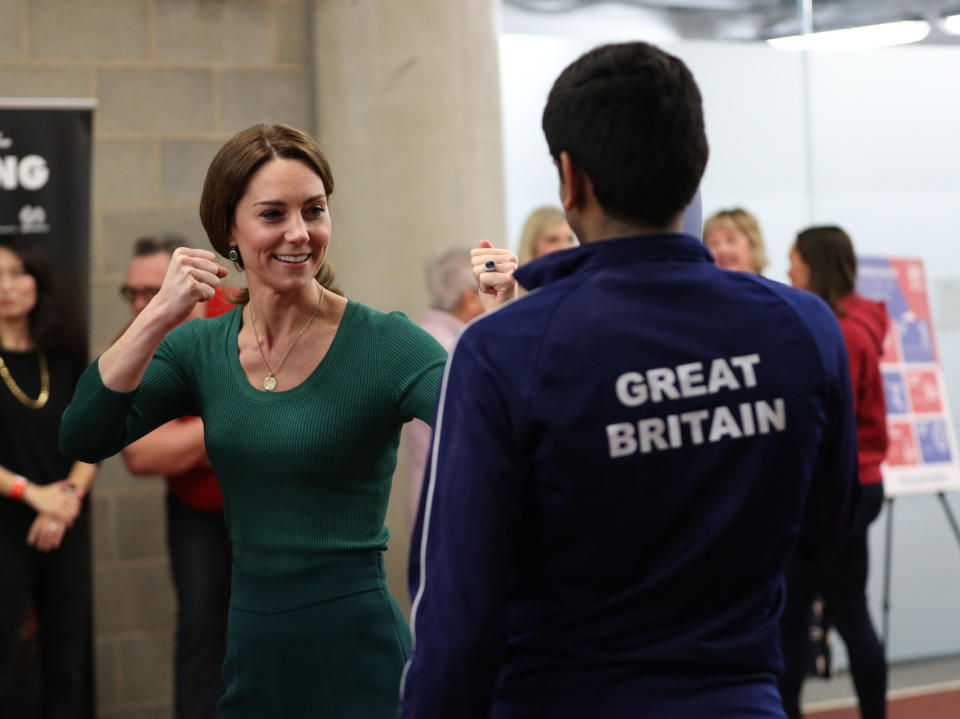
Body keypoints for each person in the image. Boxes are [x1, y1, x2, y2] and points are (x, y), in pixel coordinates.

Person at [400, 41, 860, 719]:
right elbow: (827, 531)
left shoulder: (502, 350)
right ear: (698, 162)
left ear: (570, 180)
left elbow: (456, 615)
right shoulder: (804, 328)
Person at [59, 123, 517, 718]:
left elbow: (495, 436)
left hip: (361, 659)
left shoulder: (387, 344)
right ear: (229, 229)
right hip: (252, 659)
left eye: (315, 210)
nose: (299, 233)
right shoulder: (199, 350)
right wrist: (156, 316)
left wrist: (499, 326)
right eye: (273, 213)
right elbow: (84, 434)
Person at [119, 234, 234, 719]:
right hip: (196, 513)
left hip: (268, 505)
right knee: (201, 638)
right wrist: (231, 425)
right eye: (134, 294)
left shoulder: (238, 315)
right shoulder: (137, 340)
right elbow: (141, 455)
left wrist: (188, 439)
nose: (144, 304)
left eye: (154, 289)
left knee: (278, 631)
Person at [780, 226, 889, 719]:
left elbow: (820, 417)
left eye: (795, 261)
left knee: (798, 617)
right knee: (850, 611)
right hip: (857, 486)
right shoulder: (859, 324)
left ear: (815, 265)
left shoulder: (836, 330)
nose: (788, 271)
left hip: (831, 488)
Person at [0, 237, 97, 717]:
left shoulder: (62, 355)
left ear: (37, 282)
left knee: (66, 666)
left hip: (64, 523)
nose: (6, 286)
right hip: (7, 524)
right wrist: (32, 494)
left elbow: (94, 434)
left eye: (17, 273)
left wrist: (68, 499)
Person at [403, 246, 485, 529]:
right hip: (452, 502)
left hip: (432, 493)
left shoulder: (422, 336)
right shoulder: (451, 350)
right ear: (470, 298)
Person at [703, 207, 768, 274]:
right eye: (713, 243)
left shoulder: (770, 284)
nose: (722, 249)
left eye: (731, 240)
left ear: (753, 245)